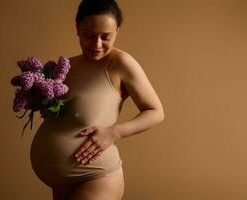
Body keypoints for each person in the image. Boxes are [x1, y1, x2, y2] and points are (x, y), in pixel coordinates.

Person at [30, 0, 164, 199]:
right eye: (89, 35)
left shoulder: (120, 63)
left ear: (117, 31)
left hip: (96, 177)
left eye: (105, 36)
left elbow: (156, 112)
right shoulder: (67, 66)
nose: (97, 44)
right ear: (77, 28)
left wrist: (114, 132)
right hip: (61, 185)